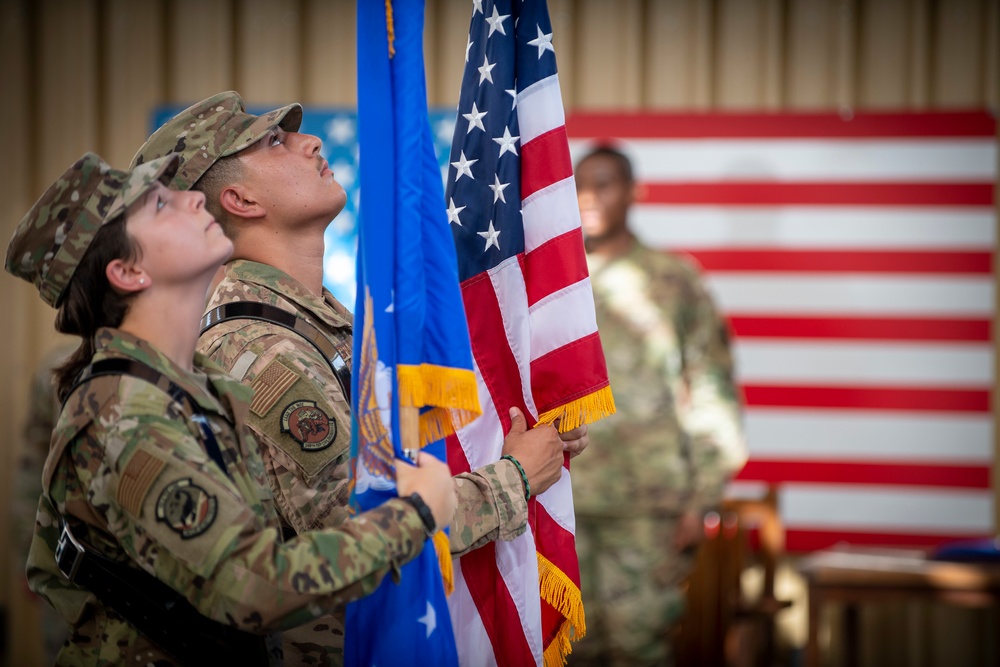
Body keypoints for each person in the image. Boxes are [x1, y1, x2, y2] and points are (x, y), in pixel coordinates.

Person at [131, 92, 585, 664]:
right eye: (274, 142)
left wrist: (515, 437)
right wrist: (513, 480)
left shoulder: (317, 324)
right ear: (240, 199)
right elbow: (359, 533)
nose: (309, 141)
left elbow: (396, 463)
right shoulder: (262, 351)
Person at [5, 152, 457, 666]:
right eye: (160, 205)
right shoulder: (124, 415)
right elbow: (256, 586)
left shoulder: (192, 387)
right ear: (128, 271)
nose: (194, 198)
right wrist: (414, 515)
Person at [568, 146, 747, 666]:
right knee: (566, 648)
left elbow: (711, 386)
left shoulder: (674, 280)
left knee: (638, 646)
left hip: (648, 507)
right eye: (581, 185)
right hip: (559, 499)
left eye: (605, 184)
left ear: (633, 193)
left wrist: (703, 497)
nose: (591, 198)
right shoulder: (550, 282)